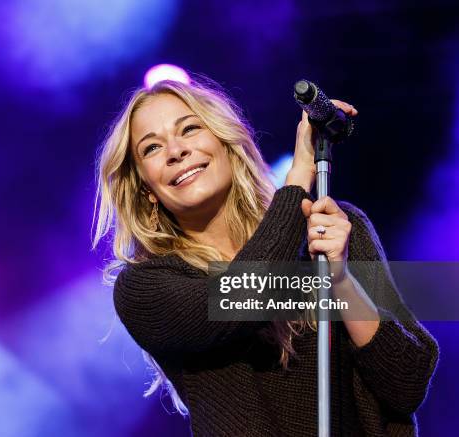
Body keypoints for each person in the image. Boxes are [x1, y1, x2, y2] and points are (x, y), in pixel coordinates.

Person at [91, 77, 438, 436]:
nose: (176, 151)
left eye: (190, 129)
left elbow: (407, 384)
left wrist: (340, 278)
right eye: (151, 148)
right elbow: (248, 295)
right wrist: (299, 176)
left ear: (227, 142)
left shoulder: (334, 230)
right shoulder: (146, 288)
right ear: (146, 188)